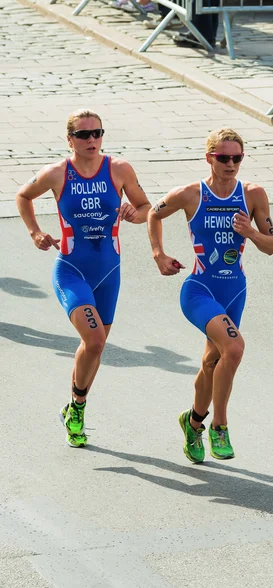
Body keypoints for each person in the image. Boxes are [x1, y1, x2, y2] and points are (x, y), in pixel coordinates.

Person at [16, 109, 151, 448]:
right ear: (70, 139)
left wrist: (135, 214)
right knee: (93, 340)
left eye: (97, 133)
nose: (92, 140)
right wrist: (35, 232)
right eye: (84, 135)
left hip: (109, 272)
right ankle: (77, 407)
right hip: (72, 270)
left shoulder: (119, 169)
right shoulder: (57, 173)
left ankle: (75, 406)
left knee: (96, 345)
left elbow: (148, 208)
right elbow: (23, 196)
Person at [147, 128, 273, 463]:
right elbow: (153, 213)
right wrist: (158, 254)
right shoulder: (191, 193)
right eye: (223, 157)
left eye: (237, 157)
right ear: (209, 158)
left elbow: (272, 246)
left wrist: (250, 232)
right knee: (234, 347)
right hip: (200, 289)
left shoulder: (253, 194)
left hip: (234, 291)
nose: (231, 163)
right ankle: (219, 426)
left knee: (211, 363)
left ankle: (192, 424)